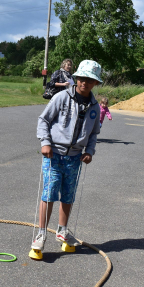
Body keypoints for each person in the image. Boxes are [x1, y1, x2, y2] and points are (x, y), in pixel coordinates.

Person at [32, 60, 102, 252]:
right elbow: (43, 120)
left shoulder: (95, 107)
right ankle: (41, 233)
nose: (84, 83)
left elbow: (94, 133)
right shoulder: (62, 97)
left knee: (68, 195)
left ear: (95, 83)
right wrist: (45, 142)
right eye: (81, 78)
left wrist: (89, 150)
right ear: (76, 78)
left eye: (89, 80)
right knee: (49, 193)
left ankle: (62, 231)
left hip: (75, 158)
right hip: (54, 155)